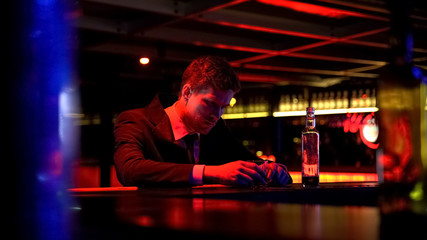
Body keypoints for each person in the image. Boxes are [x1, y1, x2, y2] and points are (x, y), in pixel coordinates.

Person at [114, 56, 292, 187]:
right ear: (187, 93)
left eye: (224, 107)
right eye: (211, 103)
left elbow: (251, 161)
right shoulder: (136, 120)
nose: (217, 114)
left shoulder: (216, 128)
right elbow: (129, 170)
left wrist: (274, 170)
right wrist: (211, 172)